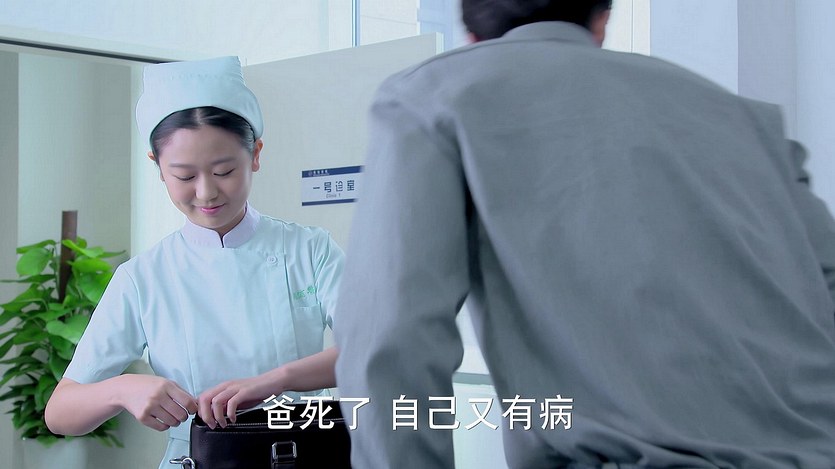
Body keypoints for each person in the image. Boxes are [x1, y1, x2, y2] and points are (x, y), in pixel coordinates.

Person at [333, 0, 835, 467]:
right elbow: (826, 284)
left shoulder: (434, 95)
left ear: (470, 34)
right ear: (602, 18)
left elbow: (392, 334)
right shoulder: (746, 118)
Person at [45, 56, 344, 468]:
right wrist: (122, 389)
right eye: (184, 176)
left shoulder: (310, 250)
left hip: (301, 453)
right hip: (196, 459)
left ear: (255, 154)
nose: (206, 193)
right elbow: (60, 412)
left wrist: (272, 382)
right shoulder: (143, 277)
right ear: (158, 168)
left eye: (224, 171)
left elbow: (378, 349)